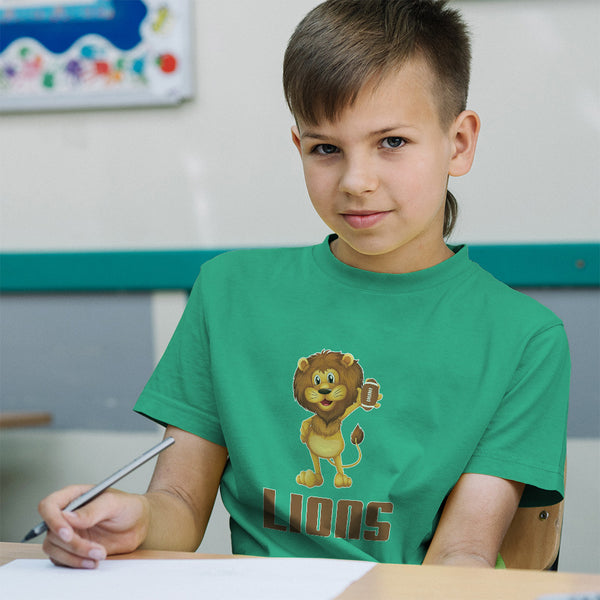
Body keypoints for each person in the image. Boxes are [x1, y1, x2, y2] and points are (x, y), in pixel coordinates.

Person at [38, 0, 569, 570]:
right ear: (300, 148)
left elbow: (462, 552)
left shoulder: (525, 338)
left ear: (458, 143)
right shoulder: (228, 293)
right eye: (326, 148)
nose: (355, 181)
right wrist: (135, 518)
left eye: (391, 142)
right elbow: (180, 505)